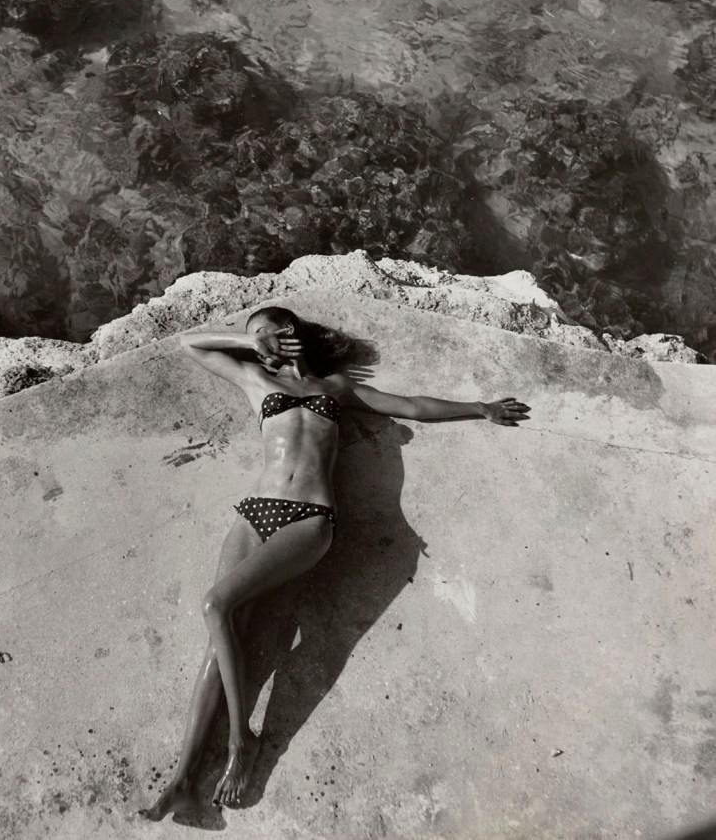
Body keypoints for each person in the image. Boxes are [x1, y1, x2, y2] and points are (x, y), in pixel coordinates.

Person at [138, 305, 530, 820]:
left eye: (266, 332)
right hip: (255, 512)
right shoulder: (254, 376)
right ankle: (184, 777)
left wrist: (479, 408)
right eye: (250, 336)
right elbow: (189, 343)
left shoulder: (336, 388)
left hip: (310, 518)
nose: (258, 342)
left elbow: (411, 405)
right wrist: (247, 344)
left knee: (216, 605)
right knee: (220, 635)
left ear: (290, 332)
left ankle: (241, 742)